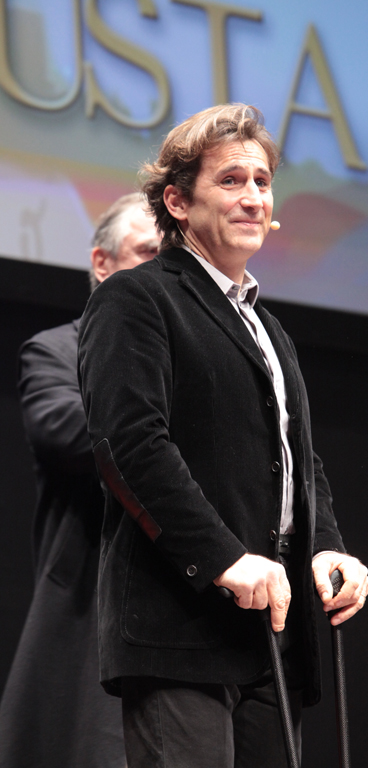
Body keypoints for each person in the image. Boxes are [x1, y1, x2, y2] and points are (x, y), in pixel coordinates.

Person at [78, 104, 368, 768]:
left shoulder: (269, 329)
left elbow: (298, 459)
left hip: (272, 638)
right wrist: (223, 559)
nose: (253, 197)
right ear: (178, 202)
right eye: (231, 180)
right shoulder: (136, 298)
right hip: (180, 630)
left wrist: (327, 546)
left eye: (262, 182)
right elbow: (129, 445)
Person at [0, 194, 161, 768]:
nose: (165, 269)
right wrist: (161, 428)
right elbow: (63, 432)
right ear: (101, 263)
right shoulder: (56, 351)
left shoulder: (201, 360)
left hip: (187, 615)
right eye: (148, 252)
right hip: (89, 614)